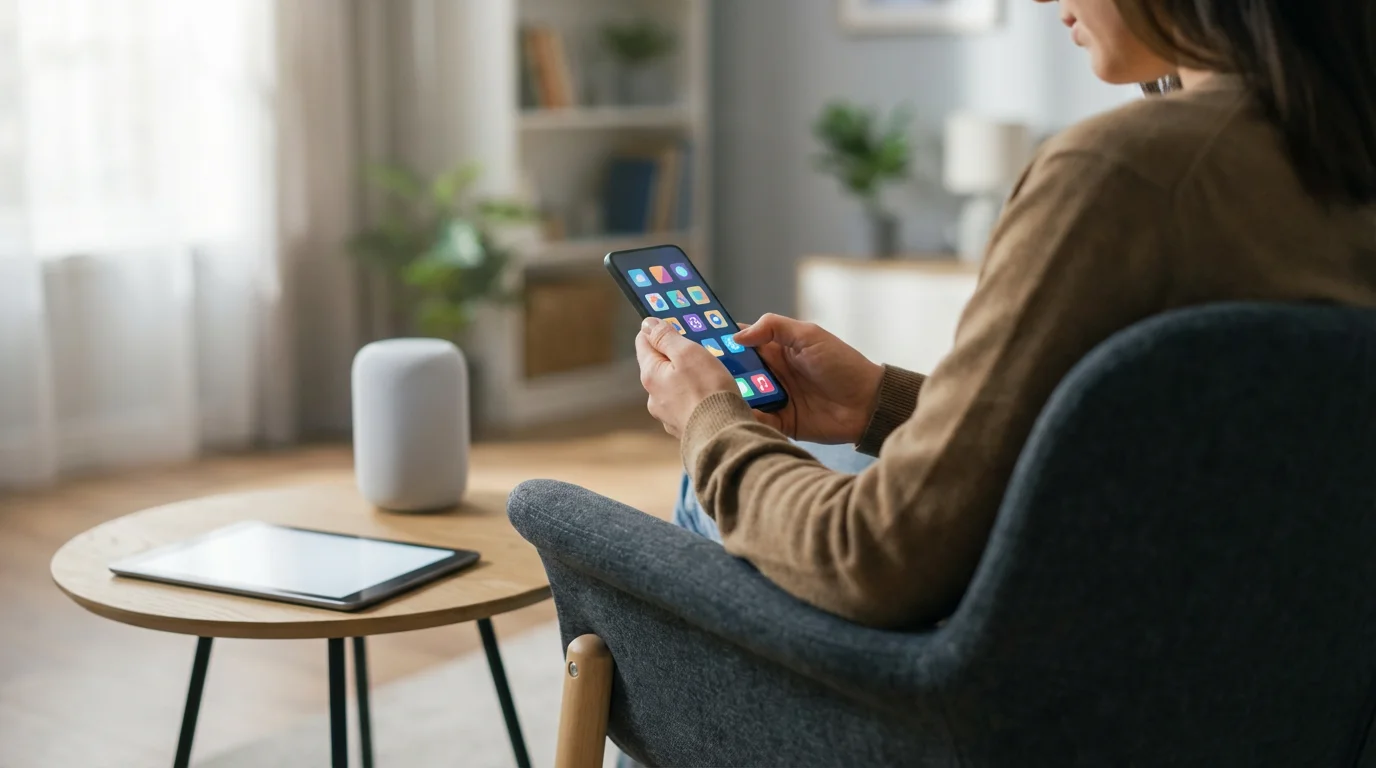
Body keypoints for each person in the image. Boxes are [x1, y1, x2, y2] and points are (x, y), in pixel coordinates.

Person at [635, 0, 1376, 629]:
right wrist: (882, 403)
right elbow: (1157, 452)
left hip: (1010, 704)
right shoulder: (1333, 153)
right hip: (1243, 667)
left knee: (705, 484)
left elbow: (874, 556)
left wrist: (711, 421)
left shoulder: (1123, 173)